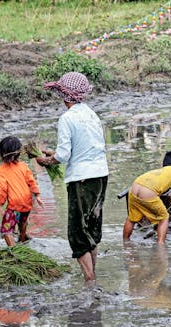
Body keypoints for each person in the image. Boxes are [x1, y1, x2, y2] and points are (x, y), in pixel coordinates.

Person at [36, 72, 109, 286]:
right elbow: (85, 147)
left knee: (77, 232)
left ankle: (89, 282)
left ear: (64, 96)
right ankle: (92, 276)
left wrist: (46, 161)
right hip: (100, 176)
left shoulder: (67, 118)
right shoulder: (91, 114)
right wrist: (54, 153)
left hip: (82, 179)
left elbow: (64, 156)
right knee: (92, 227)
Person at [0, 136, 44, 247]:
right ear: (18, 152)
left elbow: (3, 190)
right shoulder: (23, 166)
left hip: (14, 205)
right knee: (22, 224)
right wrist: (38, 195)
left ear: (1, 153)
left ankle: (15, 252)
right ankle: (22, 242)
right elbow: (32, 181)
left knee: (6, 230)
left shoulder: (0, 171)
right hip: (27, 202)